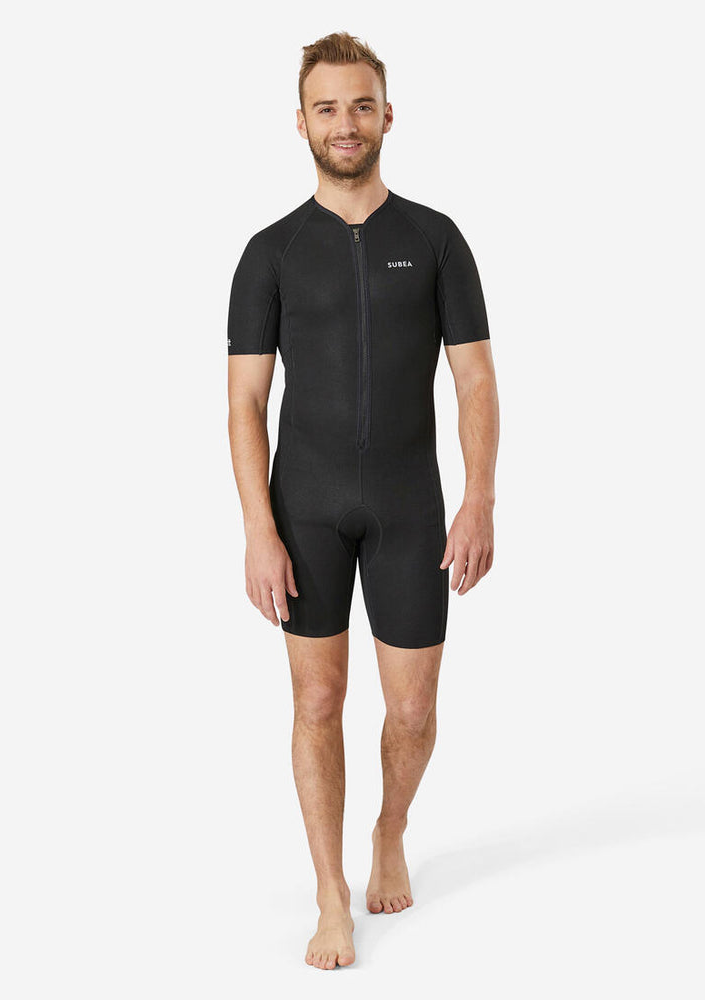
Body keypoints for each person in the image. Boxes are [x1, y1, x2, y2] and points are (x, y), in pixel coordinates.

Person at [226, 31, 499, 970]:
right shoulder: (269, 253)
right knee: (317, 698)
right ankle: (328, 893)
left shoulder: (435, 240)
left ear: (388, 114)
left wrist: (479, 499)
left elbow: (474, 380)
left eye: (361, 105)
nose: (345, 123)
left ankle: (390, 829)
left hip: (409, 506)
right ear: (301, 122)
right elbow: (246, 402)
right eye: (327, 108)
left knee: (412, 712)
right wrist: (258, 530)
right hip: (303, 507)